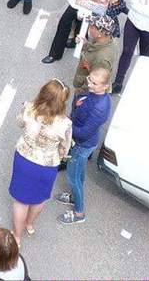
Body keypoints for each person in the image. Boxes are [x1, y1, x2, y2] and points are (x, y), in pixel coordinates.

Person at [7, 80, 71, 239]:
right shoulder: (65, 124)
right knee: (39, 198)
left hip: (25, 159)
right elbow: (64, 149)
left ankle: (17, 236)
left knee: (21, 201)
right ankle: (29, 224)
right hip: (47, 166)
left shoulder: (30, 108)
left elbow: (19, 123)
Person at [57, 66, 113, 228]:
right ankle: (75, 198)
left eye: (95, 83)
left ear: (105, 86)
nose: (90, 85)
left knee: (73, 177)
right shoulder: (96, 96)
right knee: (79, 173)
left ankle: (79, 212)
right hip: (85, 143)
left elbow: (82, 133)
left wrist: (66, 125)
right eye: (90, 80)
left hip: (83, 144)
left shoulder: (99, 108)